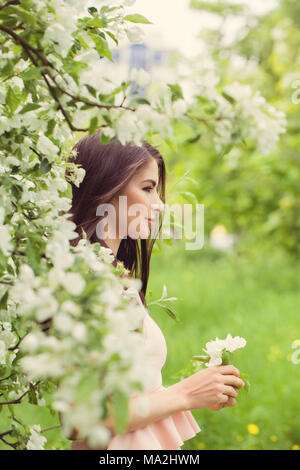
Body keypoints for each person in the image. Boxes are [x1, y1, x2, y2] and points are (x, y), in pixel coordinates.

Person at [63, 130, 245, 450]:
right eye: (148, 189)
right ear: (107, 187)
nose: (159, 205)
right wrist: (185, 393)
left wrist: (200, 391)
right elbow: (80, 420)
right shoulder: (87, 279)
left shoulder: (114, 276)